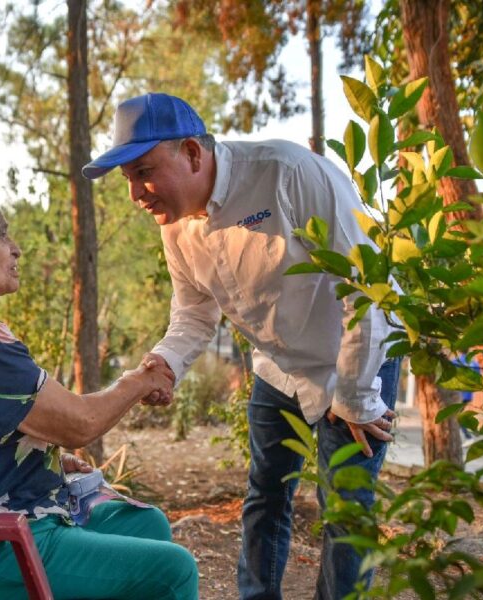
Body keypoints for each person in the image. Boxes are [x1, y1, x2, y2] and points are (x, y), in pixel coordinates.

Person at [82, 93, 401, 600]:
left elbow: (370, 288)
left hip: (355, 358)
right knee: (265, 496)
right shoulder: (177, 224)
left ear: (191, 152)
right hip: (277, 369)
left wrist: (357, 397)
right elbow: (193, 313)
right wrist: (164, 363)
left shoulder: (289, 172)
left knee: (346, 509)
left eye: (144, 171)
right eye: (127, 180)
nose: (136, 194)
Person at [0, 188, 198, 600]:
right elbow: (79, 422)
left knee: (147, 526)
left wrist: (45, 459)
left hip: (0, 520)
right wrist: (141, 380)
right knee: (172, 571)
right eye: (2, 233)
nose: (16, 248)